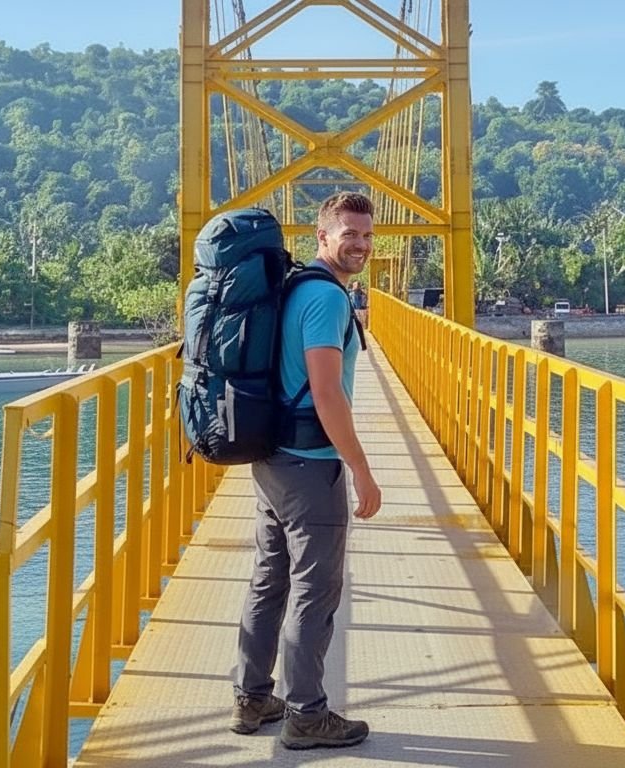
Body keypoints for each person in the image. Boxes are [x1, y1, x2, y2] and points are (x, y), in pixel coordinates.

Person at [230, 192, 383, 749]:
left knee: (269, 581)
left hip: (272, 457)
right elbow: (326, 392)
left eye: (367, 235)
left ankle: (251, 699)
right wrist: (361, 469)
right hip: (309, 464)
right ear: (321, 237)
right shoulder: (325, 299)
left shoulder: (293, 288)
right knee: (313, 594)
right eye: (349, 234)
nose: (360, 244)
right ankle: (307, 714)